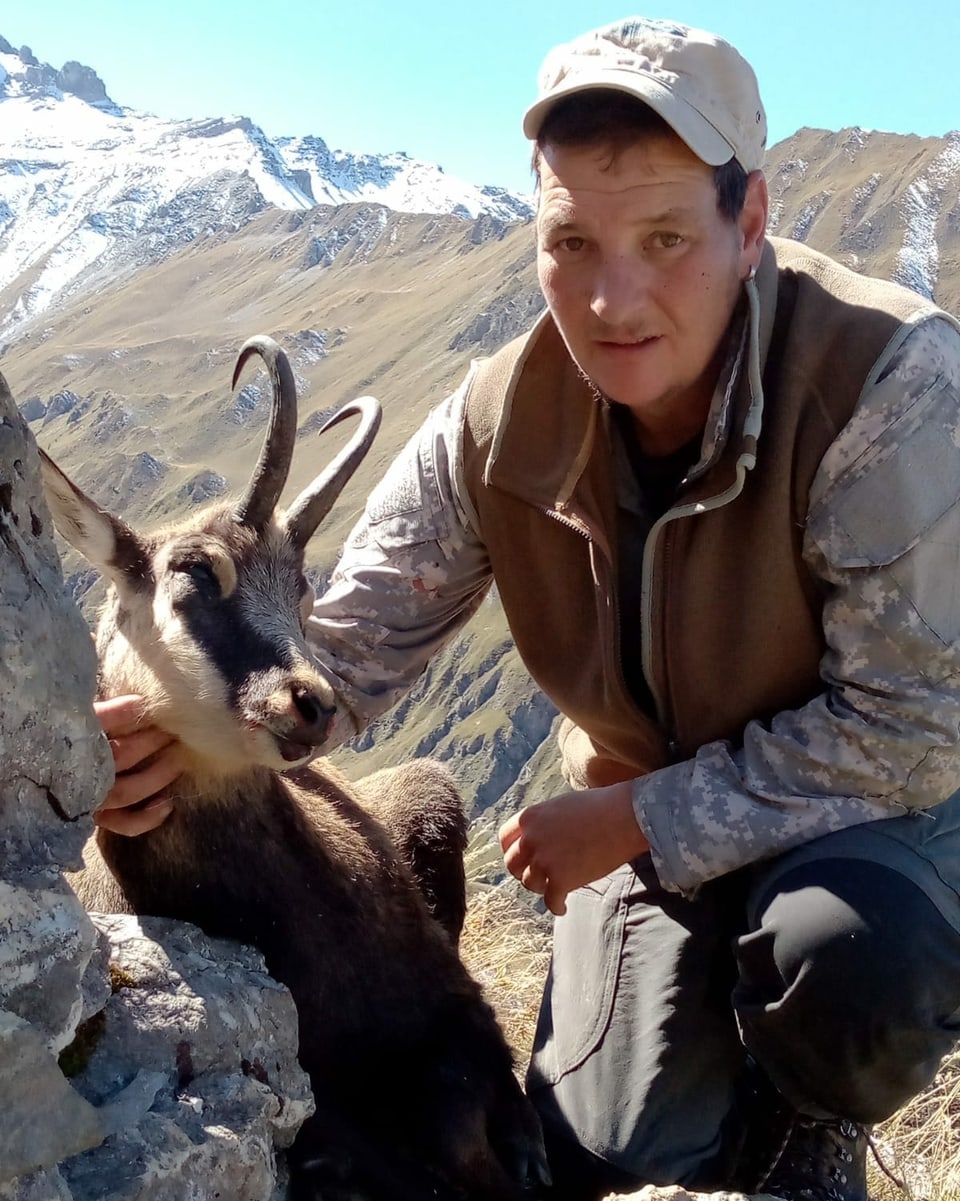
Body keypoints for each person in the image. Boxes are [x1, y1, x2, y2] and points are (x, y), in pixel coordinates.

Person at [94, 16, 960, 1201]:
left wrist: (635, 820)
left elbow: (913, 729)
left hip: (880, 814)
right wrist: (159, 736)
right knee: (586, 1153)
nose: (613, 297)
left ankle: (809, 1124)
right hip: (653, 821)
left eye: (665, 238)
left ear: (749, 221)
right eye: (572, 241)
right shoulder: (498, 422)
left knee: (850, 970)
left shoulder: (889, 383)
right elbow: (341, 652)